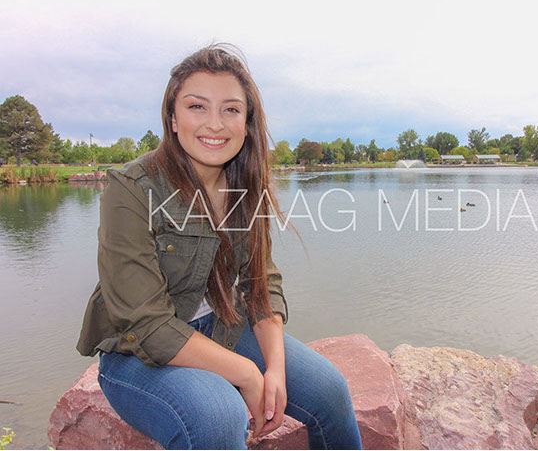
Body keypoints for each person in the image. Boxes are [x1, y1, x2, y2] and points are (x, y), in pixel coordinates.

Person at [76, 44, 363, 450]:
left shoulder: (244, 186)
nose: (215, 123)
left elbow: (261, 285)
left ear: (246, 123)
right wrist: (246, 373)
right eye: (197, 106)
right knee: (220, 415)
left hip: (220, 328)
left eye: (231, 109)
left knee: (330, 390)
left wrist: (275, 370)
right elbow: (146, 325)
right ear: (172, 118)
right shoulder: (131, 188)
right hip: (134, 355)